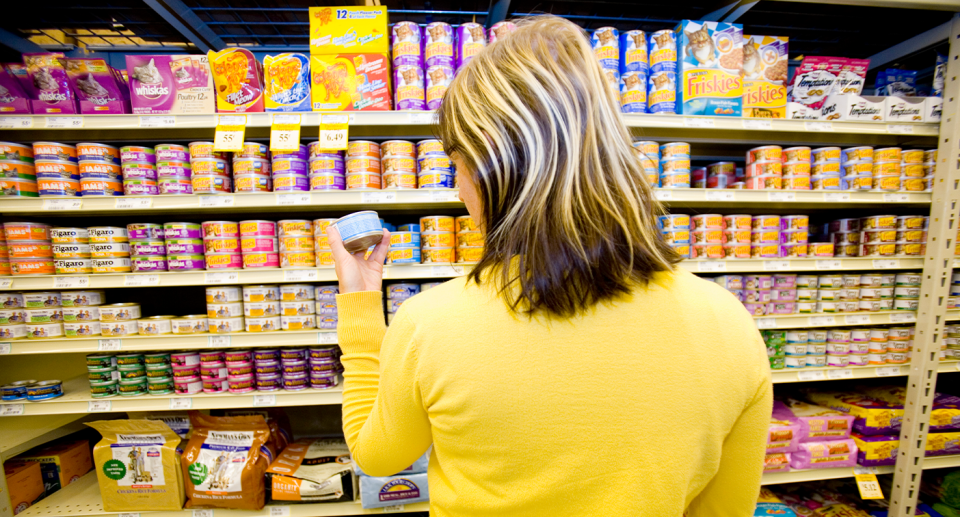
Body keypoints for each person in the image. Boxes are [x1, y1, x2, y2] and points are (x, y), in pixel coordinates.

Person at [327, 15, 771, 516]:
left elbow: (377, 456)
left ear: (498, 163)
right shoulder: (728, 323)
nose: (457, 188)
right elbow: (725, 509)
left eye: (458, 162)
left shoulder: (431, 326)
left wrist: (361, 308)